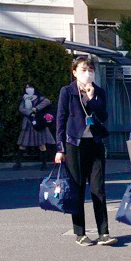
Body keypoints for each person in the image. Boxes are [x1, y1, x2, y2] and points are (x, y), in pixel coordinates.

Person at [55, 56, 116, 246]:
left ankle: (103, 232)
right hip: (75, 144)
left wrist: (91, 99)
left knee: (98, 189)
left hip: (95, 143)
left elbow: (104, 115)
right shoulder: (67, 92)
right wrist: (60, 148)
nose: (87, 73)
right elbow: (61, 120)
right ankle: (80, 233)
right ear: (74, 72)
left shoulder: (98, 91)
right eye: (83, 69)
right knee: (77, 188)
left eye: (90, 70)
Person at [14, 84, 55, 170]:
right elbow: (21, 109)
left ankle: (44, 165)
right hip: (28, 124)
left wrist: (36, 108)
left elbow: (47, 101)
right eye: (27, 88)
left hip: (39, 124)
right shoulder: (24, 99)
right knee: (22, 144)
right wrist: (30, 112)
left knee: (42, 144)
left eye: (30, 88)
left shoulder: (40, 98)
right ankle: (18, 164)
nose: (29, 89)